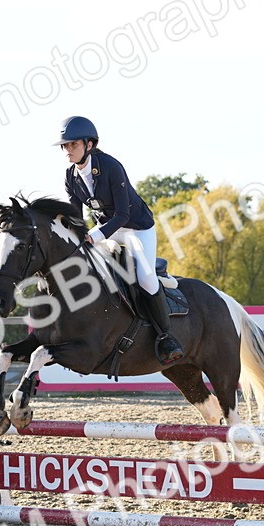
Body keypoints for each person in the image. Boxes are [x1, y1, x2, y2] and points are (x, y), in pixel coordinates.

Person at [56, 115, 185, 365]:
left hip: (136, 227)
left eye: (73, 144)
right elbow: (76, 215)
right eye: (65, 145)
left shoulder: (111, 167)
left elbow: (123, 214)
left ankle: (166, 337)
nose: (68, 150)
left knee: (145, 278)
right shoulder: (70, 176)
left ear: (89, 145)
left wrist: (93, 235)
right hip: (107, 228)